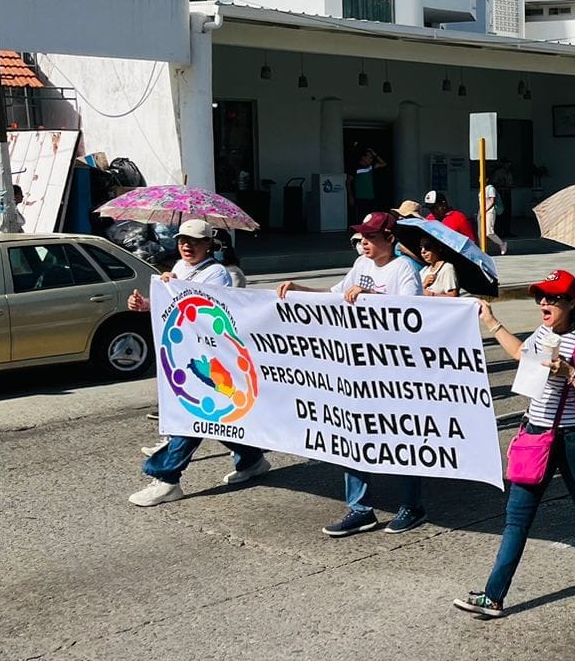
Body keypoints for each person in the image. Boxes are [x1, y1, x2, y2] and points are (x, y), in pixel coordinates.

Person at [455, 272, 575, 616]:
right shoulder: (544, 333)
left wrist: (570, 373)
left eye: (552, 298)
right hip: (536, 436)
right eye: (540, 297)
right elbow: (522, 355)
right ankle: (493, 596)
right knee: (516, 518)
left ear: (572, 303)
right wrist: (492, 322)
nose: (544, 303)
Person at [277, 211, 428, 536]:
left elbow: (414, 317)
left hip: (395, 369)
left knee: (401, 435)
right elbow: (336, 294)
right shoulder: (361, 266)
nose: (364, 243)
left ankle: (411, 505)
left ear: (390, 238)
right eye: (361, 237)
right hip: (360, 366)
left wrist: (371, 298)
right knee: (352, 433)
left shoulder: (404, 269)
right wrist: (299, 290)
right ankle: (360, 509)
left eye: (371, 237)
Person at [127, 219, 270, 507]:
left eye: (194, 241)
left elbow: (204, 313)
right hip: (187, 355)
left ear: (209, 245)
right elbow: (172, 308)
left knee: (192, 419)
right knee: (213, 419)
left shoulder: (216, 274)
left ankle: (166, 479)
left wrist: (174, 290)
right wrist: (146, 304)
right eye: (182, 240)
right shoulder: (179, 268)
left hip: (211, 359)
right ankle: (252, 459)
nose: (187, 246)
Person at [483, 183, 507, 254]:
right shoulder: (482, 189)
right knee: (483, 231)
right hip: (483, 212)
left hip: (489, 212)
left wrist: (485, 210)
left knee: (489, 232)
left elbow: (492, 201)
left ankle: (502, 244)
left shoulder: (490, 188)